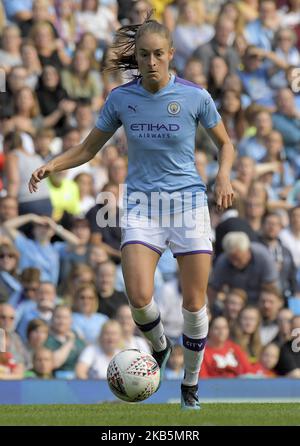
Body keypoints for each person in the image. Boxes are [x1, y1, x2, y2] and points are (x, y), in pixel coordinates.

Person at [28, 18, 235, 410]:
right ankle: (160, 347)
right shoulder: (121, 99)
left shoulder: (195, 96)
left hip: (189, 205)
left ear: (171, 54)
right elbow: (89, 149)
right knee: (138, 298)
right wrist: (52, 164)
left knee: (194, 304)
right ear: (136, 57)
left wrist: (223, 175)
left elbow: (225, 144)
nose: (151, 61)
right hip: (142, 205)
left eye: (159, 54)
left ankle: (190, 384)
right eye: (144, 55)